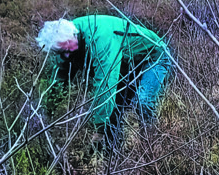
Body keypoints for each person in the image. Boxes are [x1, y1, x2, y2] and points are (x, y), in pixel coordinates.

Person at [36, 15, 173, 147]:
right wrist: (48, 111)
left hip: (153, 56)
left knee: (143, 101)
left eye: (66, 49)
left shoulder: (100, 38)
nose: (66, 54)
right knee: (113, 109)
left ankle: (152, 144)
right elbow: (60, 78)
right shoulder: (64, 40)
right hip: (127, 65)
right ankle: (112, 154)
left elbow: (106, 82)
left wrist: (100, 129)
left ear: (72, 35)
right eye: (60, 52)